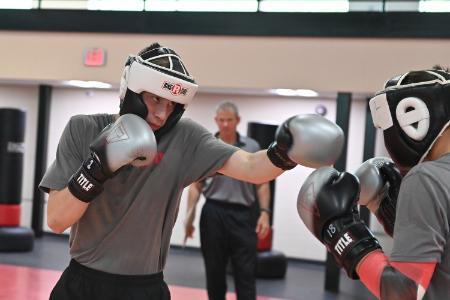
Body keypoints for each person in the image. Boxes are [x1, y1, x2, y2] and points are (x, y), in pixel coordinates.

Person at [39, 42, 345, 300]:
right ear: (130, 90)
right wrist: (97, 168)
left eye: (172, 105)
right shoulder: (83, 129)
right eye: (154, 98)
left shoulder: (185, 138)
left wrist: (284, 152)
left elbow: (252, 168)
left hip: (144, 288)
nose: (161, 113)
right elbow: (56, 219)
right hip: (83, 284)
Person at [297, 68, 450, 299]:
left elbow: (403, 292)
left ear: (415, 116)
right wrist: (390, 213)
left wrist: (343, 234)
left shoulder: (426, 178)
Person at [184, 101, 271, 300]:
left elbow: (262, 183)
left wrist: (265, 213)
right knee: (214, 270)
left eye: (229, 120)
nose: (224, 124)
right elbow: (195, 185)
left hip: (243, 215)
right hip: (213, 212)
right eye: (221, 120)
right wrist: (189, 216)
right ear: (216, 121)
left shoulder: (251, 146)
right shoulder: (207, 146)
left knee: (245, 272)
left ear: (238, 121)